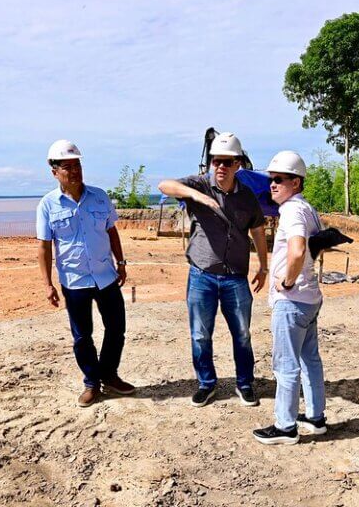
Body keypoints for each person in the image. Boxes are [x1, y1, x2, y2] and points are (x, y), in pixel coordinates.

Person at [158, 132, 268, 408]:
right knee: (200, 334)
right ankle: (206, 384)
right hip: (202, 276)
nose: (221, 166)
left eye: (227, 162)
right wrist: (197, 196)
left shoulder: (247, 197)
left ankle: (245, 384)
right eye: (216, 161)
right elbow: (164, 185)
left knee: (242, 334)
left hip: (235, 278)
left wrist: (263, 266)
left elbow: (257, 230)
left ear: (238, 164)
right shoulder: (200, 185)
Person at [36, 139, 135, 407]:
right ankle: (92, 383)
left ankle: (109, 375)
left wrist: (121, 262)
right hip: (74, 280)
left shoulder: (100, 196)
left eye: (77, 165)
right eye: (67, 167)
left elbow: (111, 231)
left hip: (106, 276)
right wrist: (47, 284)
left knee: (116, 328)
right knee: (82, 337)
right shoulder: (47, 205)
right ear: (54, 171)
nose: (74, 171)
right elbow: (44, 247)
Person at [253, 151, 327, 445]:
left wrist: (286, 281)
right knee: (310, 360)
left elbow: (297, 250)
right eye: (271, 179)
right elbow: (315, 247)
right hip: (310, 298)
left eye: (279, 179)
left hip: (293, 300)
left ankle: (285, 427)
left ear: (295, 182)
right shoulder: (308, 209)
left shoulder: (292, 211)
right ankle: (315, 417)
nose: (272, 184)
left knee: (286, 364)